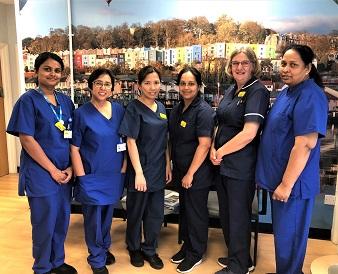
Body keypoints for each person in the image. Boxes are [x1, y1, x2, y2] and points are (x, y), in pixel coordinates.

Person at [255, 44, 328, 274]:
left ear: (307, 68)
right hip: (279, 180)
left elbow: (305, 144)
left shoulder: (311, 95)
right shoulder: (288, 91)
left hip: (293, 185)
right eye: (283, 63)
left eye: (293, 65)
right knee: (283, 239)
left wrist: (286, 185)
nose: (286, 69)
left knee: (290, 238)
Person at [6, 52, 77, 274]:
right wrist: (52, 170)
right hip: (41, 173)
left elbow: (74, 136)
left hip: (65, 173)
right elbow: (27, 139)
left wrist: (71, 168)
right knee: (44, 223)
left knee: (61, 219)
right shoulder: (27, 101)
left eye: (57, 70)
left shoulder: (66, 101)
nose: (52, 74)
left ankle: (57, 261)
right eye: (47, 69)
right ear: (36, 72)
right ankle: (43, 267)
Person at [210, 47, 270, 274]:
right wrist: (213, 150)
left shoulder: (258, 92)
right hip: (222, 163)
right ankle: (239, 255)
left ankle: (239, 266)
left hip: (241, 166)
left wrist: (221, 151)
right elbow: (219, 123)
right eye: (235, 63)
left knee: (238, 216)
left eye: (245, 63)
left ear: (253, 65)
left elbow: (249, 133)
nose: (239, 67)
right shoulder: (230, 90)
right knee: (226, 214)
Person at [70, 68, 126, 274]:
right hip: (91, 175)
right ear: (91, 86)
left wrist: (124, 168)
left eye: (107, 84)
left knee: (107, 216)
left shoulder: (119, 110)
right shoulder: (81, 113)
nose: (103, 88)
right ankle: (96, 259)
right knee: (93, 219)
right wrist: (81, 177)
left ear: (113, 88)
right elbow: (74, 149)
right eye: (99, 83)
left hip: (114, 175)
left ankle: (103, 248)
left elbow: (125, 141)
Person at [119, 65, 172, 270]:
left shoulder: (160, 108)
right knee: (136, 212)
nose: (152, 87)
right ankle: (133, 247)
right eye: (147, 83)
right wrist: (139, 174)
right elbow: (130, 141)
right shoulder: (133, 108)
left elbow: (165, 139)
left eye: (156, 82)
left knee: (155, 213)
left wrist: (168, 164)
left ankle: (150, 248)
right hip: (139, 171)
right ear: (139, 85)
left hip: (158, 170)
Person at [168, 66, 215, 273]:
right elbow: (171, 139)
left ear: (199, 86)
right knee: (185, 211)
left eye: (191, 84)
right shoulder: (178, 109)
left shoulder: (203, 111)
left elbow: (204, 144)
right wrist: (169, 164)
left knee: (196, 212)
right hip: (180, 169)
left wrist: (190, 173)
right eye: (183, 83)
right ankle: (187, 246)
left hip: (197, 173)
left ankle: (196, 253)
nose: (186, 88)